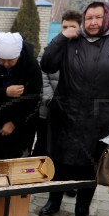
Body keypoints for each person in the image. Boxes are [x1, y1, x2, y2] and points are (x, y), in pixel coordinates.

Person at [39, 1, 109, 216]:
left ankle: (82, 211)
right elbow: (47, 63)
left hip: (101, 118)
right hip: (67, 114)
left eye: (98, 17)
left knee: (89, 166)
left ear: (108, 18)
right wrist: (62, 37)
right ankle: (53, 201)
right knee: (59, 162)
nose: (93, 23)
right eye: (89, 18)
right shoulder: (72, 39)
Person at [0, 32, 42, 161]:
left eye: (10, 60)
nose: (5, 64)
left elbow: (34, 99)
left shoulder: (31, 66)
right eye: (2, 59)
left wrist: (14, 122)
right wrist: (4, 92)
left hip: (20, 126)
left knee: (14, 167)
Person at [32, 11, 80, 157]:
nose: (68, 30)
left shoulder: (84, 52)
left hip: (71, 112)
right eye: (64, 27)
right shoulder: (51, 48)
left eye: (72, 26)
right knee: (42, 147)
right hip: (48, 110)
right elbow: (41, 75)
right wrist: (51, 100)